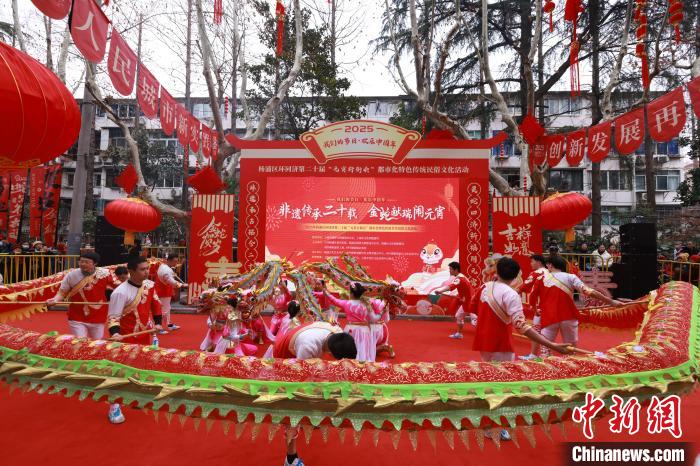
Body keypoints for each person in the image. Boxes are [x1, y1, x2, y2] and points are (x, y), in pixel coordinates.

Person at [473, 257, 571, 441]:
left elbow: (474, 309)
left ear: (496, 271)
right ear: (516, 275)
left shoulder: (484, 287)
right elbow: (523, 327)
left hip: (484, 342)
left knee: (489, 381)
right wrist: (552, 345)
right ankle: (495, 425)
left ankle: (488, 424)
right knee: (502, 385)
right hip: (501, 344)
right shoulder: (511, 295)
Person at [273, 322, 356, 466]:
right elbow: (303, 381)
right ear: (330, 353)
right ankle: (290, 458)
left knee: (318, 385)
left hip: (299, 344)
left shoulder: (337, 333)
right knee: (294, 403)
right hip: (284, 357)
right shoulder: (308, 347)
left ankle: (309, 417)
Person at [106, 256, 163, 424]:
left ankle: (135, 397)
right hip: (125, 338)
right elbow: (113, 318)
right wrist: (115, 334)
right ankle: (114, 406)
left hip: (145, 335)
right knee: (120, 373)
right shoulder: (120, 292)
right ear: (131, 272)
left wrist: (159, 323)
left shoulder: (150, 285)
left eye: (147, 268)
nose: (147, 271)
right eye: (143, 269)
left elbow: (156, 304)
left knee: (140, 369)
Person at [532, 255, 622, 352]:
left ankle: (544, 364)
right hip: (569, 316)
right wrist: (611, 301)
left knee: (545, 350)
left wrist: (535, 309)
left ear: (550, 265)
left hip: (549, 317)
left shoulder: (540, 278)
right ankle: (571, 365)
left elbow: (532, 297)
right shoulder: (571, 277)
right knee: (571, 349)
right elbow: (590, 292)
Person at [46, 252, 118, 339]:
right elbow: (62, 293)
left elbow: (121, 288)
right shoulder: (71, 275)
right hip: (77, 316)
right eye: (81, 261)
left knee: (96, 343)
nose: (83, 264)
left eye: (87, 262)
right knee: (80, 342)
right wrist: (55, 300)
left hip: (98, 316)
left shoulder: (106, 274)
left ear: (95, 263)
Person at [323, 283, 389, 362]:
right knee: (362, 348)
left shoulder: (346, 303)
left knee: (347, 346)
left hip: (350, 329)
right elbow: (374, 319)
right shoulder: (366, 305)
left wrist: (326, 293)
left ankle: (349, 362)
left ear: (351, 293)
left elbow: (334, 300)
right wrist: (382, 313)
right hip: (364, 331)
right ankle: (362, 364)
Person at [428, 261, 474, 339]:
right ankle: (459, 334)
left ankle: (487, 336)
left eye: (450, 269)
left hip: (472, 303)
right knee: (458, 316)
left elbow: (450, 286)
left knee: (475, 322)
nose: (449, 271)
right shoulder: (461, 277)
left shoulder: (459, 279)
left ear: (456, 270)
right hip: (466, 302)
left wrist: (440, 291)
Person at [517, 254, 548, 359]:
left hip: (540, 307)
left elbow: (523, 287)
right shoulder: (549, 272)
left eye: (532, 261)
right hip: (549, 306)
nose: (531, 264)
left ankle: (535, 355)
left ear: (539, 262)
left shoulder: (536, 273)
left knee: (536, 331)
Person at [155, 253, 187, 334]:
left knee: (167, 308)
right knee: (162, 310)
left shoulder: (165, 267)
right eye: (175, 261)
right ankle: (159, 327)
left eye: (177, 261)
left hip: (165, 290)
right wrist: (183, 285)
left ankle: (169, 324)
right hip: (162, 291)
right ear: (169, 260)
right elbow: (171, 282)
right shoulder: (166, 270)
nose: (176, 263)